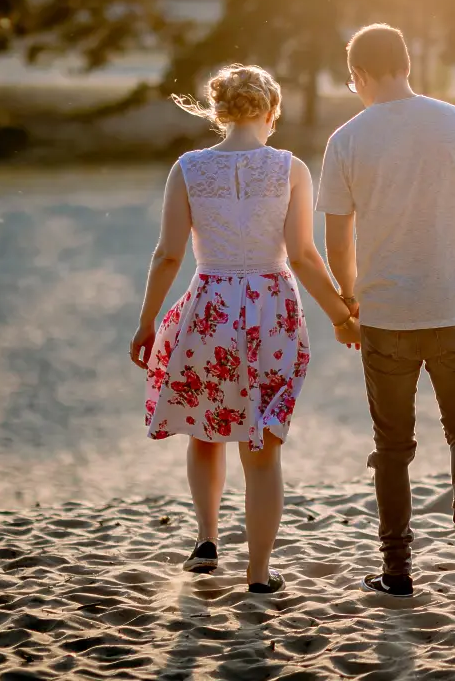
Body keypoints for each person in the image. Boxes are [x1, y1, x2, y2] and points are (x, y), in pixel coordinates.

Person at [129, 64, 360, 594]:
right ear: (272, 111)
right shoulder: (289, 168)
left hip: (208, 306)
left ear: (219, 113)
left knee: (207, 430)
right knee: (262, 447)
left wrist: (146, 322)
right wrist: (342, 316)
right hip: (270, 308)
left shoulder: (187, 168)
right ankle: (258, 573)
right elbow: (302, 255)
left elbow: (167, 255)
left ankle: (207, 540)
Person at [316, 24, 455, 598]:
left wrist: (350, 302)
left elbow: (337, 241)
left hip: (386, 318)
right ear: (407, 64)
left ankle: (397, 570)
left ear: (356, 75)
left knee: (392, 448)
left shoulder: (346, 140)